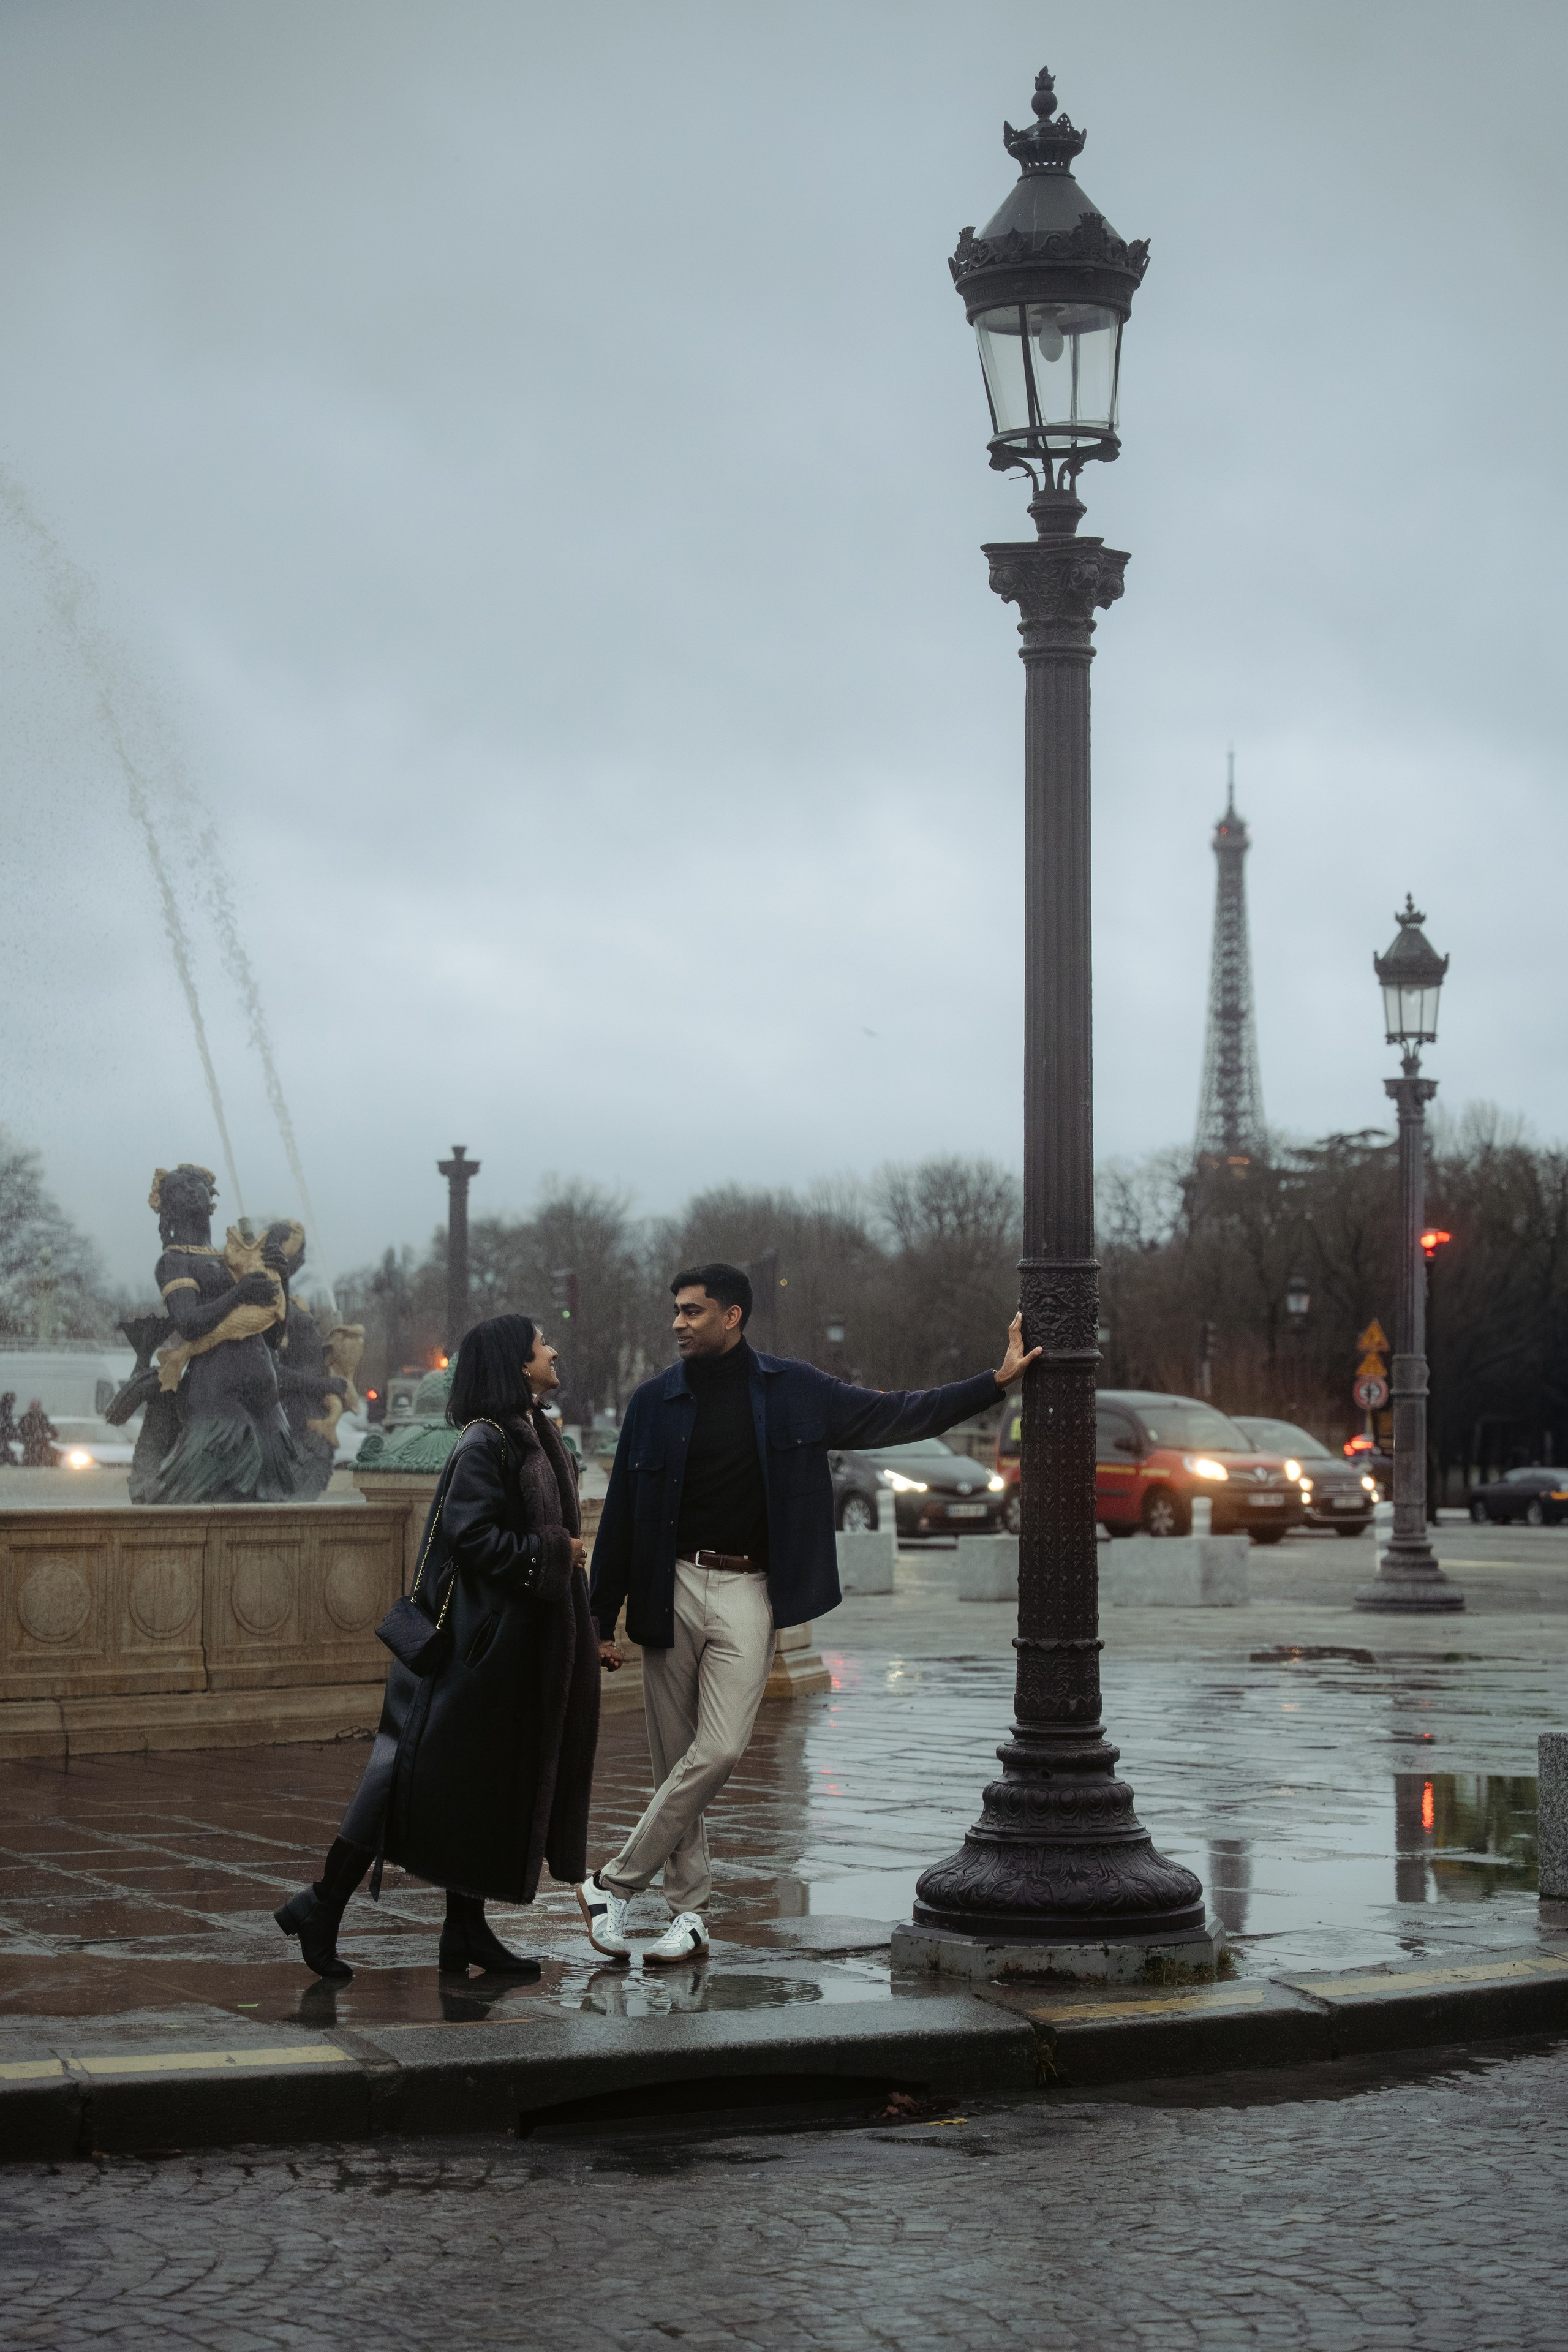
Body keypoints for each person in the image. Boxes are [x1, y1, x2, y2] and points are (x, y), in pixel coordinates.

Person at [579, 1262, 1039, 1962]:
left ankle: (612, 1883)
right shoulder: (652, 1402)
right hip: (668, 1585)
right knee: (675, 1763)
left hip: (748, 1588)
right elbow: (619, 1518)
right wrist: (598, 1621)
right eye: (676, 1310)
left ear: (733, 1316)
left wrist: (993, 1382)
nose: (678, 1323)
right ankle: (690, 1914)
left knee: (719, 1751)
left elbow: (894, 1414)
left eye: (693, 1311)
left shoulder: (795, 1389)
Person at [276, 1313, 600, 1981]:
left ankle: (464, 1932)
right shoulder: (488, 1441)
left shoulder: (529, 1432)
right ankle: (323, 1903)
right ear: (518, 1363)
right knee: (403, 1780)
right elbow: (472, 1538)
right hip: (473, 1653)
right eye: (542, 1344)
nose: (554, 1350)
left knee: (475, 1788)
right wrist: (553, 1552)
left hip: (501, 1650)